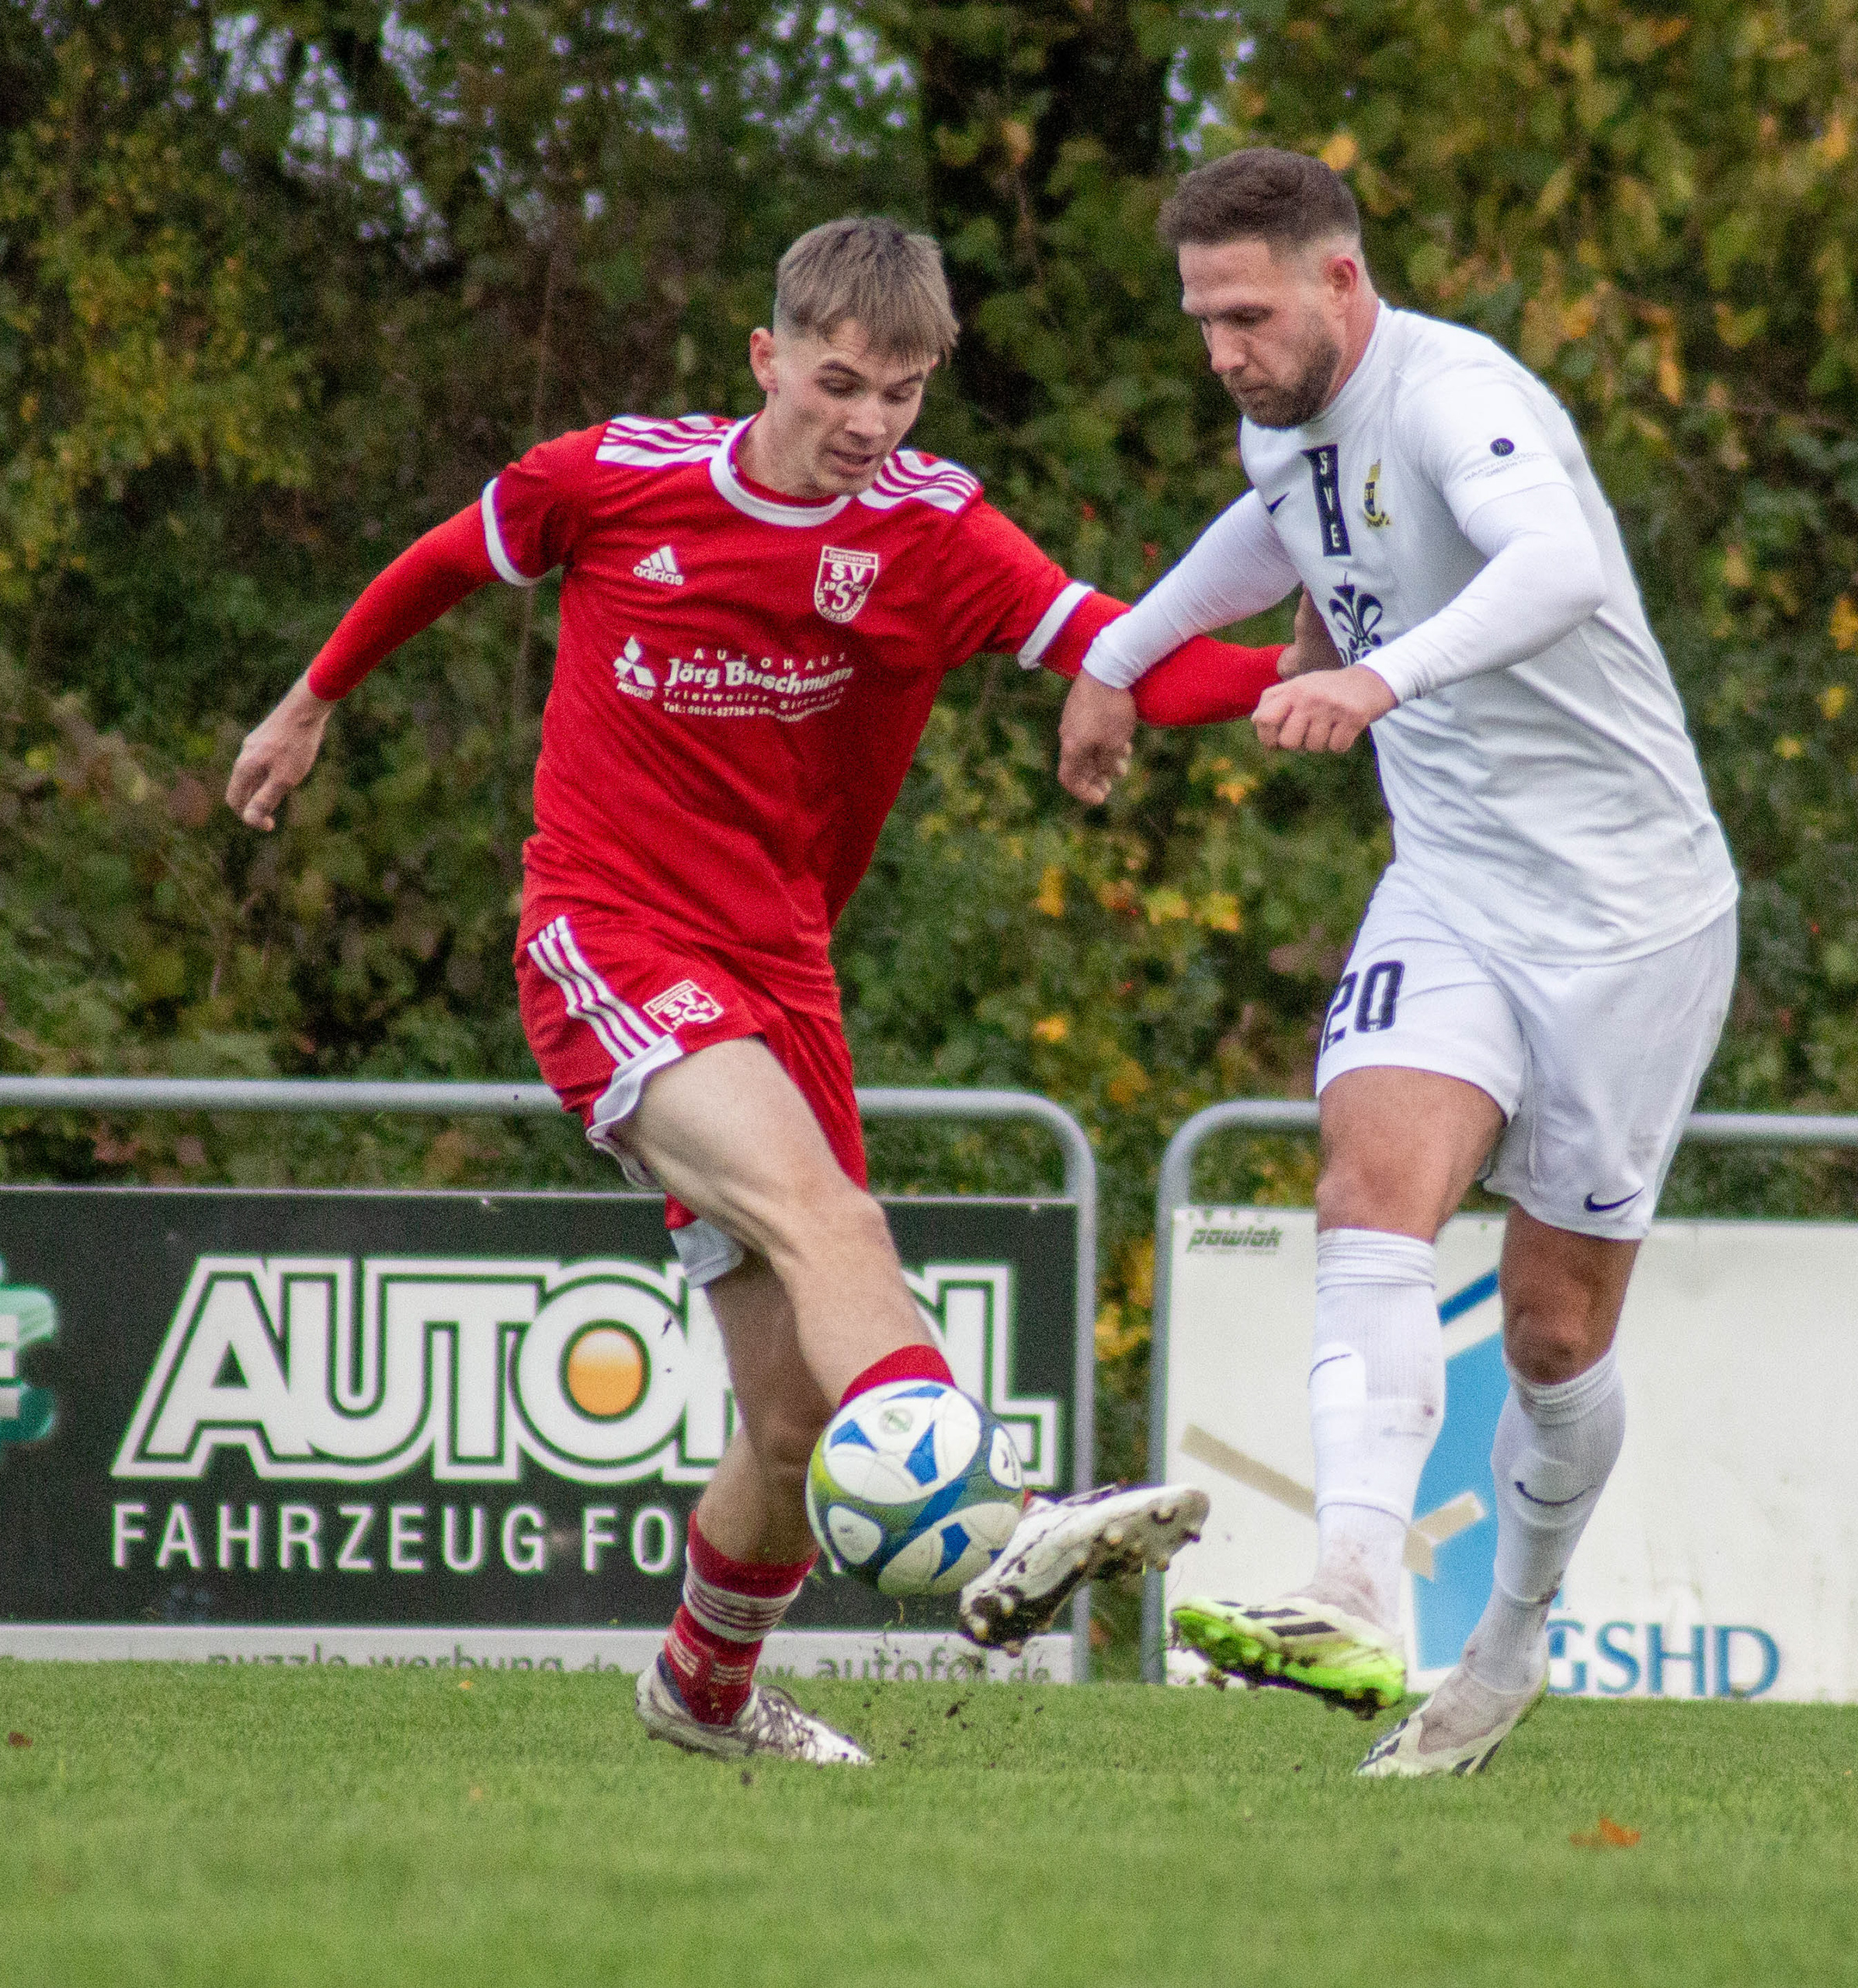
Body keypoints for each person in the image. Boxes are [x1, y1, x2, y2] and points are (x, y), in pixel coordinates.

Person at [227, 217, 1277, 1764]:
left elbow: (1125, 658)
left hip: (781, 973)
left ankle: (702, 1692)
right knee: (835, 1224)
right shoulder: (616, 479)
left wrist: (1347, 681)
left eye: (903, 394)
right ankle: (1001, 1519)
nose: (867, 423)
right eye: (840, 382)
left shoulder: (930, 532)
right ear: (765, 356)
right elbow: (451, 558)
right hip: (609, 934)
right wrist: (312, 697)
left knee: (790, 1421)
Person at [1058, 150, 1741, 1776]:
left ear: (1340, 282)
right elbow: (1273, 530)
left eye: (1248, 312)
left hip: (1634, 917)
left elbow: (1557, 566)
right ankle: (1354, 1585)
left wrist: (1376, 682)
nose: (1224, 348)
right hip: (1447, 885)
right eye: (1203, 319)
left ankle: (1507, 1646)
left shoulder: (1459, 393)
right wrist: (1116, 654)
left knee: (1553, 1336)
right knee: (1370, 1190)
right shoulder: (1282, 423)